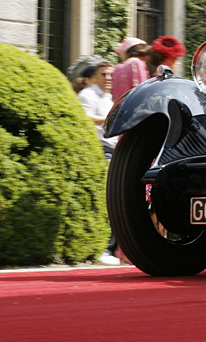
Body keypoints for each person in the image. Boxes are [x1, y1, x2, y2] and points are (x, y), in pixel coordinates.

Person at [76, 60, 120, 266]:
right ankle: (103, 249)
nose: (108, 78)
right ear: (92, 77)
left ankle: (106, 249)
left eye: (111, 74)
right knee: (108, 200)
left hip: (111, 151)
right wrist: (108, 119)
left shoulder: (107, 97)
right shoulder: (87, 95)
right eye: (104, 74)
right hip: (99, 152)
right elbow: (83, 118)